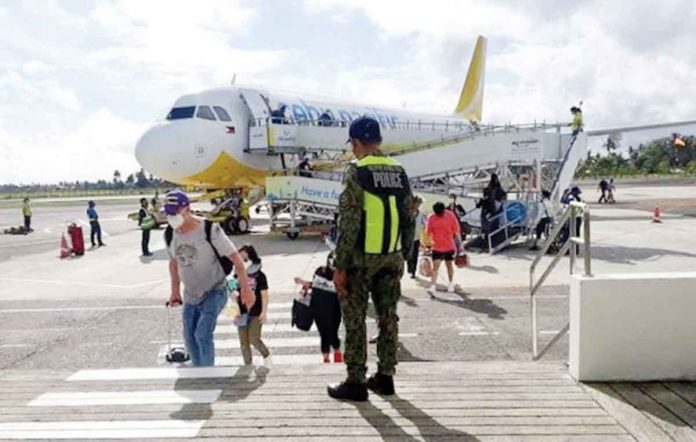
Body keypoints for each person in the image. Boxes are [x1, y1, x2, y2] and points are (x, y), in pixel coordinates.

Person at [328, 116, 415, 401]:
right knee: (388, 317)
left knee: (354, 319)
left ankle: (355, 381)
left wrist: (340, 265)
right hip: (391, 256)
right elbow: (408, 217)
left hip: (360, 259)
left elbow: (349, 222)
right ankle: (386, 377)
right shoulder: (399, 170)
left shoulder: (357, 170)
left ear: (355, 142)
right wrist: (404, 255)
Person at [165, 190, 253, 367]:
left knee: (202, 334)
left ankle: (208, 375)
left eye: (174, 212)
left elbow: (236, 258)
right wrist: (175, 292)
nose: (171, 217)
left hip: (215, 290)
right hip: (191, 295)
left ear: (186, 209)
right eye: (168, 213)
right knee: (189, 338)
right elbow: (174, 263)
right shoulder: (170, 233)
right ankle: (199, 374)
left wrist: (245, 288)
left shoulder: (209, 229)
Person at [294, 256, 343, 363]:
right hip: (318, 307)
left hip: (334, 308)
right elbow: (314, 285)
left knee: (333, 331)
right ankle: (327, 356)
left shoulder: (342, 274)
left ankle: (337, 351)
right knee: (324, 332)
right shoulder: (320, 271)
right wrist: (304, 284)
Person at [234, 245, 271, 367]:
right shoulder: (236, 275)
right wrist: (233, 312)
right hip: (241, 311)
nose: (242, 261)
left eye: (244, 258)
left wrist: (264, 312)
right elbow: (230, 292)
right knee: (243, 343)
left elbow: (264, 294)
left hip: (256, 312)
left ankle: (266, 355)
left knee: (254, 339)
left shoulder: (260, 276)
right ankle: (247, 365)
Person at [426, 202, 461, 293]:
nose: (439, 214)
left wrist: (460, 245)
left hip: (445, 246)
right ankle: (439, 285)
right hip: (441, 246)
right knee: (440, 266)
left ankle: (448, 284)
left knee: (444, 266)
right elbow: (456, 231)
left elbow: (428, 233)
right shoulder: (450, 215)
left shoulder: (432, 217)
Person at [406, 196, 427, 278]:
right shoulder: (408, 212)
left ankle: (413, 271)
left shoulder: (421, 214)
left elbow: (425, 224)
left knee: (415, 255)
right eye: (416, 203)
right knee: (409, 255)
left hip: (416, 238)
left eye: (419, 204)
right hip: (408, 238)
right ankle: (409, 269)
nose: (417, 205)